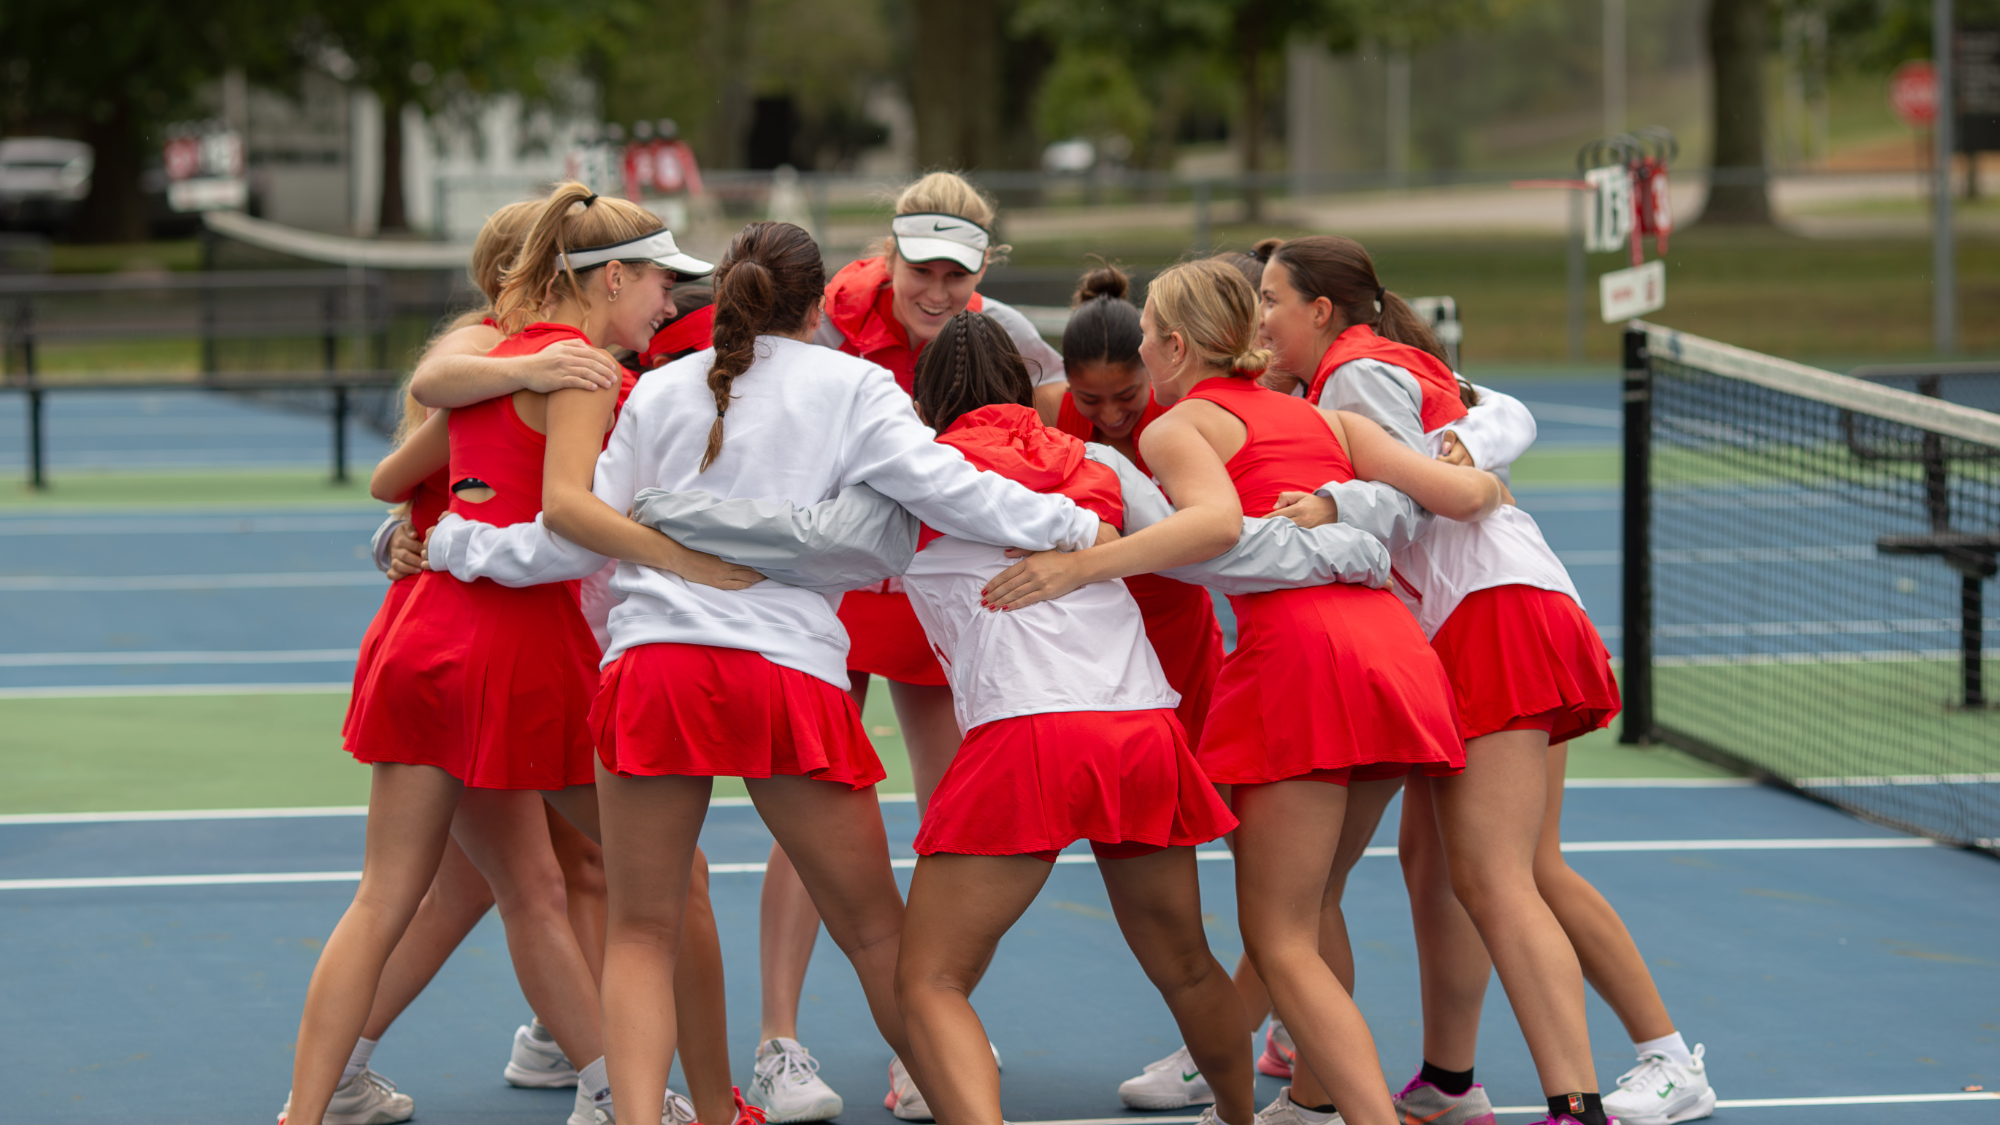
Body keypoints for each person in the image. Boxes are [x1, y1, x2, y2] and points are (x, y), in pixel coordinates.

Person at [481, 219, 1107, 1125]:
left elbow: (569, 531)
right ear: (819, 306)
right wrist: (1077, 528)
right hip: (784, 674)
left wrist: (457, 543)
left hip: (654, 670)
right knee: (878, 931)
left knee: (641, 933)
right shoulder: (851, 384)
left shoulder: (656, 390)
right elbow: (948, 486)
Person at [979, 259, 1510, 1125]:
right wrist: (1405, 500)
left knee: (1279, 935)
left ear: (1176, 345)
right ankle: (1308, 1099)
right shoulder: (1324, 415)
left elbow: (1214, 525)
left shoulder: (1181, 425)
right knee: (1314, 908)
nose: (1140, 345)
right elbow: (1467, 492)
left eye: (1146, 331)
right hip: (1395, 660)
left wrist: (1076, 567)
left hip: (1304, 666)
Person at [284, 184, 723, 1125]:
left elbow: (394, 477)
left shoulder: (494, 362)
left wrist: (441, 525)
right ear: (611, 278)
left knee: (397, 896)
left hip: (420, 638)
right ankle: (662, 1091)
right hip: (518, 651)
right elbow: (567, 515)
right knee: (659, 877)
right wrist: (687, 554)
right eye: (659, 284)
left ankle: (305, 1111)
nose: (670, 303)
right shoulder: (583, 377)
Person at [1256, 234, 1656, 1125]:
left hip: (1489, 611)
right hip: (1502, 603)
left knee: (1496, 875)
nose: (1262, 318)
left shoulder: (1353, 376)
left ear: (1320, 310)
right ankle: (1449, 1078)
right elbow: (1493, 419)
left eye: (1272, 299)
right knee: (1440, 861)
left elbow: (1419, 494)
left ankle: (1577, 1102)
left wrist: (1329, 506)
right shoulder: (1370, 366)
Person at [887, 309, 1254, 1125]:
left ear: (923, 404)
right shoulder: (1098, 461)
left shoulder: (913, 475)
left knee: (929, 979)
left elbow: (807, 544)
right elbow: (1211, 547)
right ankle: (1241, 1118)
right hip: (1139, 725)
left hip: (1027, 729)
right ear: (1028, 388)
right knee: (1189, 965)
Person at [755, 171, 1065, 1122]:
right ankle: (780, 1044)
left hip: (929, 596)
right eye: (923, 269)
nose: (939, 290)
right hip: (830, 591)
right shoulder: (825, 323)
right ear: (890, 253)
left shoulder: (998, 330)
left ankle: (927, 1025)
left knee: (951, 816)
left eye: (958, 274)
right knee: (817, 812)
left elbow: (1053, 414)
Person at [1032, 264, 1226, 747]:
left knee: (1202, 754)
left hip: (1178, 618)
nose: (1112, 414)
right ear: (1068, 385)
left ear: (1152, 369)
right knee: (1113, 765)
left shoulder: (1185, 415)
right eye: (1090, 400)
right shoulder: (1048, 409)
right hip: (1090, 622)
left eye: (1127, 395)